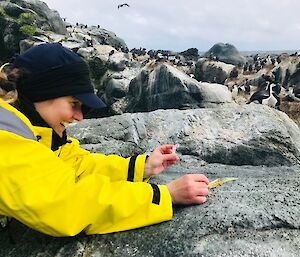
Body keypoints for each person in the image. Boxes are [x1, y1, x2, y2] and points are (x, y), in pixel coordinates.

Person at [0, 43, 209, 237]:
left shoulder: (33, 129)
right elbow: (63, 204)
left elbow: (74, 164)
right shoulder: (6, 138)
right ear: (42, 93)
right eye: (74, 103)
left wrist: (139, 168)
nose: (80, 117)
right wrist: (164, 195)